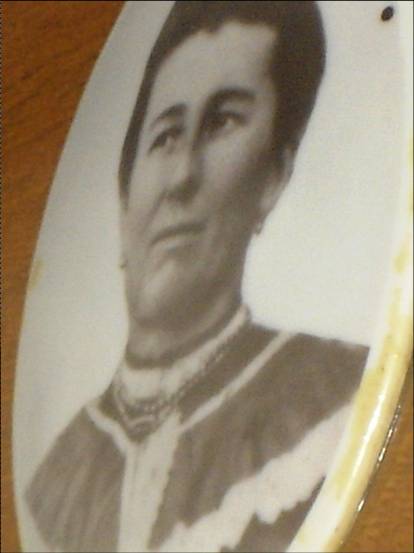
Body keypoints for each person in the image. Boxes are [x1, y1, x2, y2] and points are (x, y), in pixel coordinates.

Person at [26, 2, 368, 552]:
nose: (182, 176)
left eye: (222, 123)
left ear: (274, 177)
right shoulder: (54, 478)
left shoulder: (327, 398)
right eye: (165, 136)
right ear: (124, 197)